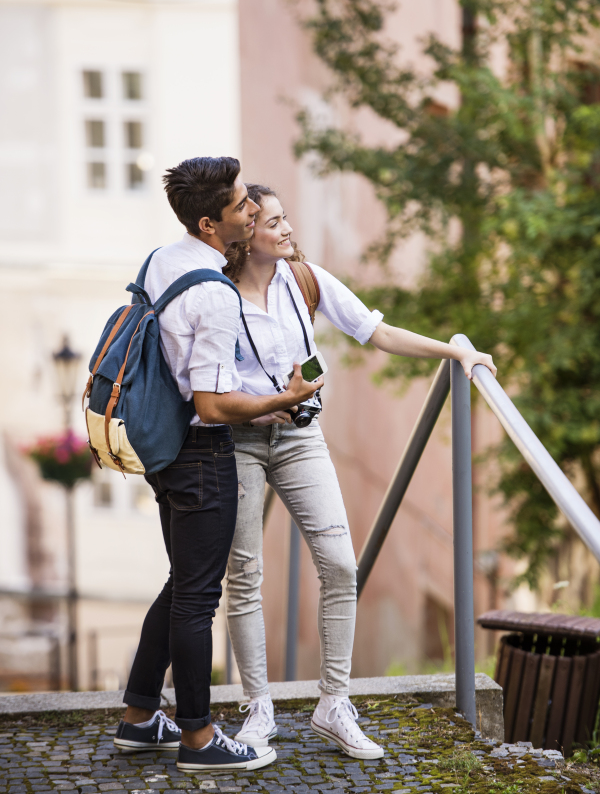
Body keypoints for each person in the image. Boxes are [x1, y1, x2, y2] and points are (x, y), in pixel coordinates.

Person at [223, 184, 497, 760]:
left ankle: (334, 703)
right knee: (245, 575)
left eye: (285, 217)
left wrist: (454, 353)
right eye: (274, 222)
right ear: (247, 233)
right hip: (239, 442)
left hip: (301, 437)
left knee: (341, 566)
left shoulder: (306, 281)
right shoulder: (217, 295)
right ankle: (257, 709)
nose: (288, 229)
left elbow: (379, 332)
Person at [112, 160, 323, 775]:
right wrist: (284, 400)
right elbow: (214, 403)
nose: (252, 209)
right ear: (210, 224)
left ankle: (138, 717)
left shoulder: (162, 259)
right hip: (202, 454)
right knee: (199, 598)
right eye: (240, 205)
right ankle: (200, 738)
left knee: (182, 582)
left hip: (161, 444)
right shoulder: (215, 293)